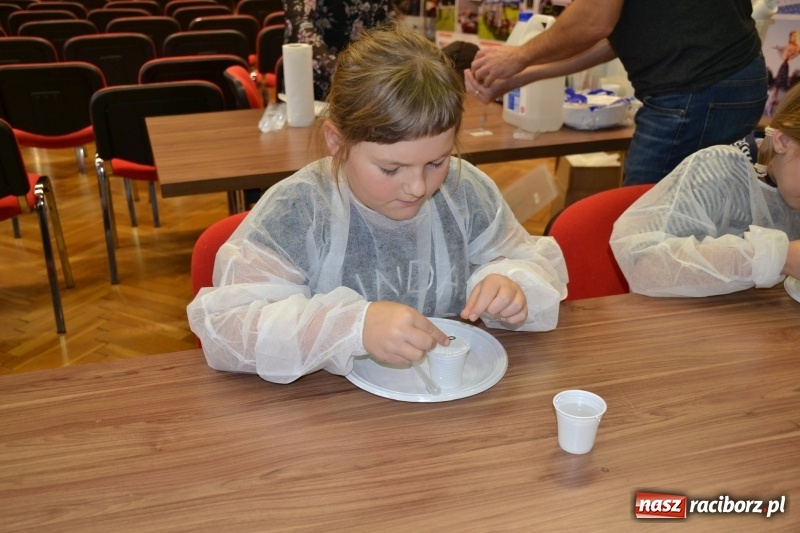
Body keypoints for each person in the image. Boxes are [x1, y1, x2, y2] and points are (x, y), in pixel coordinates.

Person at [187, 24, 568, 384]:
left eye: (437, 162)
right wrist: (353, 327)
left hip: (444, 398)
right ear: (337, 142)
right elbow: (228, 330)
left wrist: (508, 282)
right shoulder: (298, 210)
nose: (418, 187)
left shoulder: (463, 190)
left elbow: (528, 262)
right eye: (391, 168)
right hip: (330, 412)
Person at [467, 0, 769, 186]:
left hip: (699, 87)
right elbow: (615, 35)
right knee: (694, 214)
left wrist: (519, 56)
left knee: (641, 226)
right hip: (724, 79)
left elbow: (594, 20)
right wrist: (523, 75)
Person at [609, 81, 800, 298]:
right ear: (783, 141)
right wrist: (781, 258)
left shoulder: (788, 180)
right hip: (683, 316)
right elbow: (642, 264)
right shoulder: (718, 171)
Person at [283, 0, 395, 101]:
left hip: (371, 81)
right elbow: (300, 24)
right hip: (316, 85)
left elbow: (386, 21)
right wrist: (342, 74)